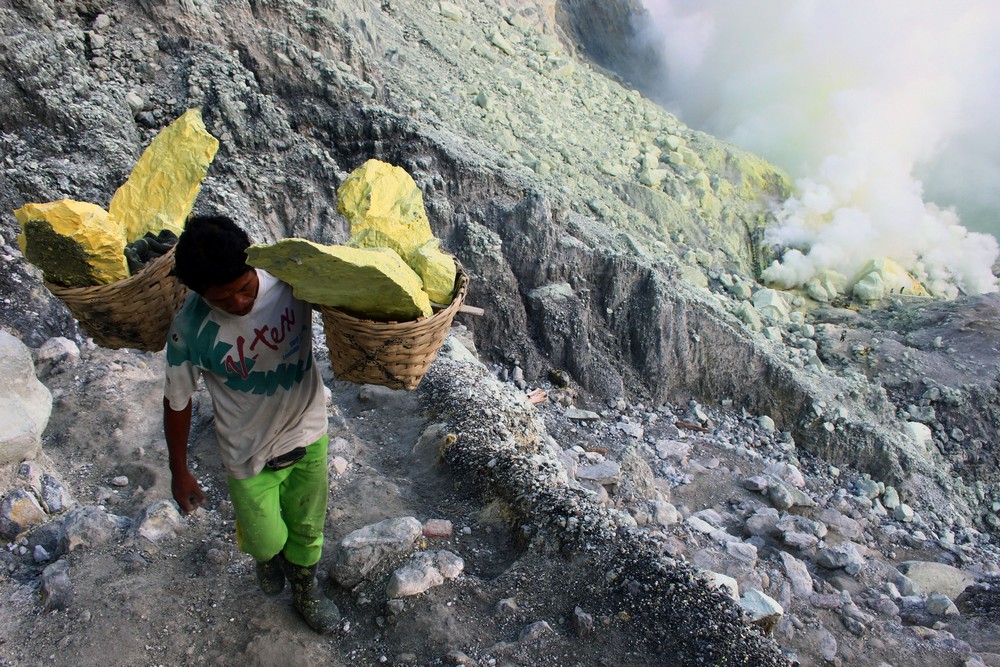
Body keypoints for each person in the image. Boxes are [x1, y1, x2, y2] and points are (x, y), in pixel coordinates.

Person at [162, 214, 339, 633]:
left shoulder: (289, 282)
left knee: (308, 527)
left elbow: (348, 300)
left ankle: (305, 589)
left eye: (244, 289)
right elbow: (177, 401)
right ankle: (267, 556)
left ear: (250, 265)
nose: (240, 304)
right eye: (223, 300)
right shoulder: (189, 329)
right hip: (247, 452)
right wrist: (178, 470)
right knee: (265, 540)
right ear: (199, 293)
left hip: (307, 430)